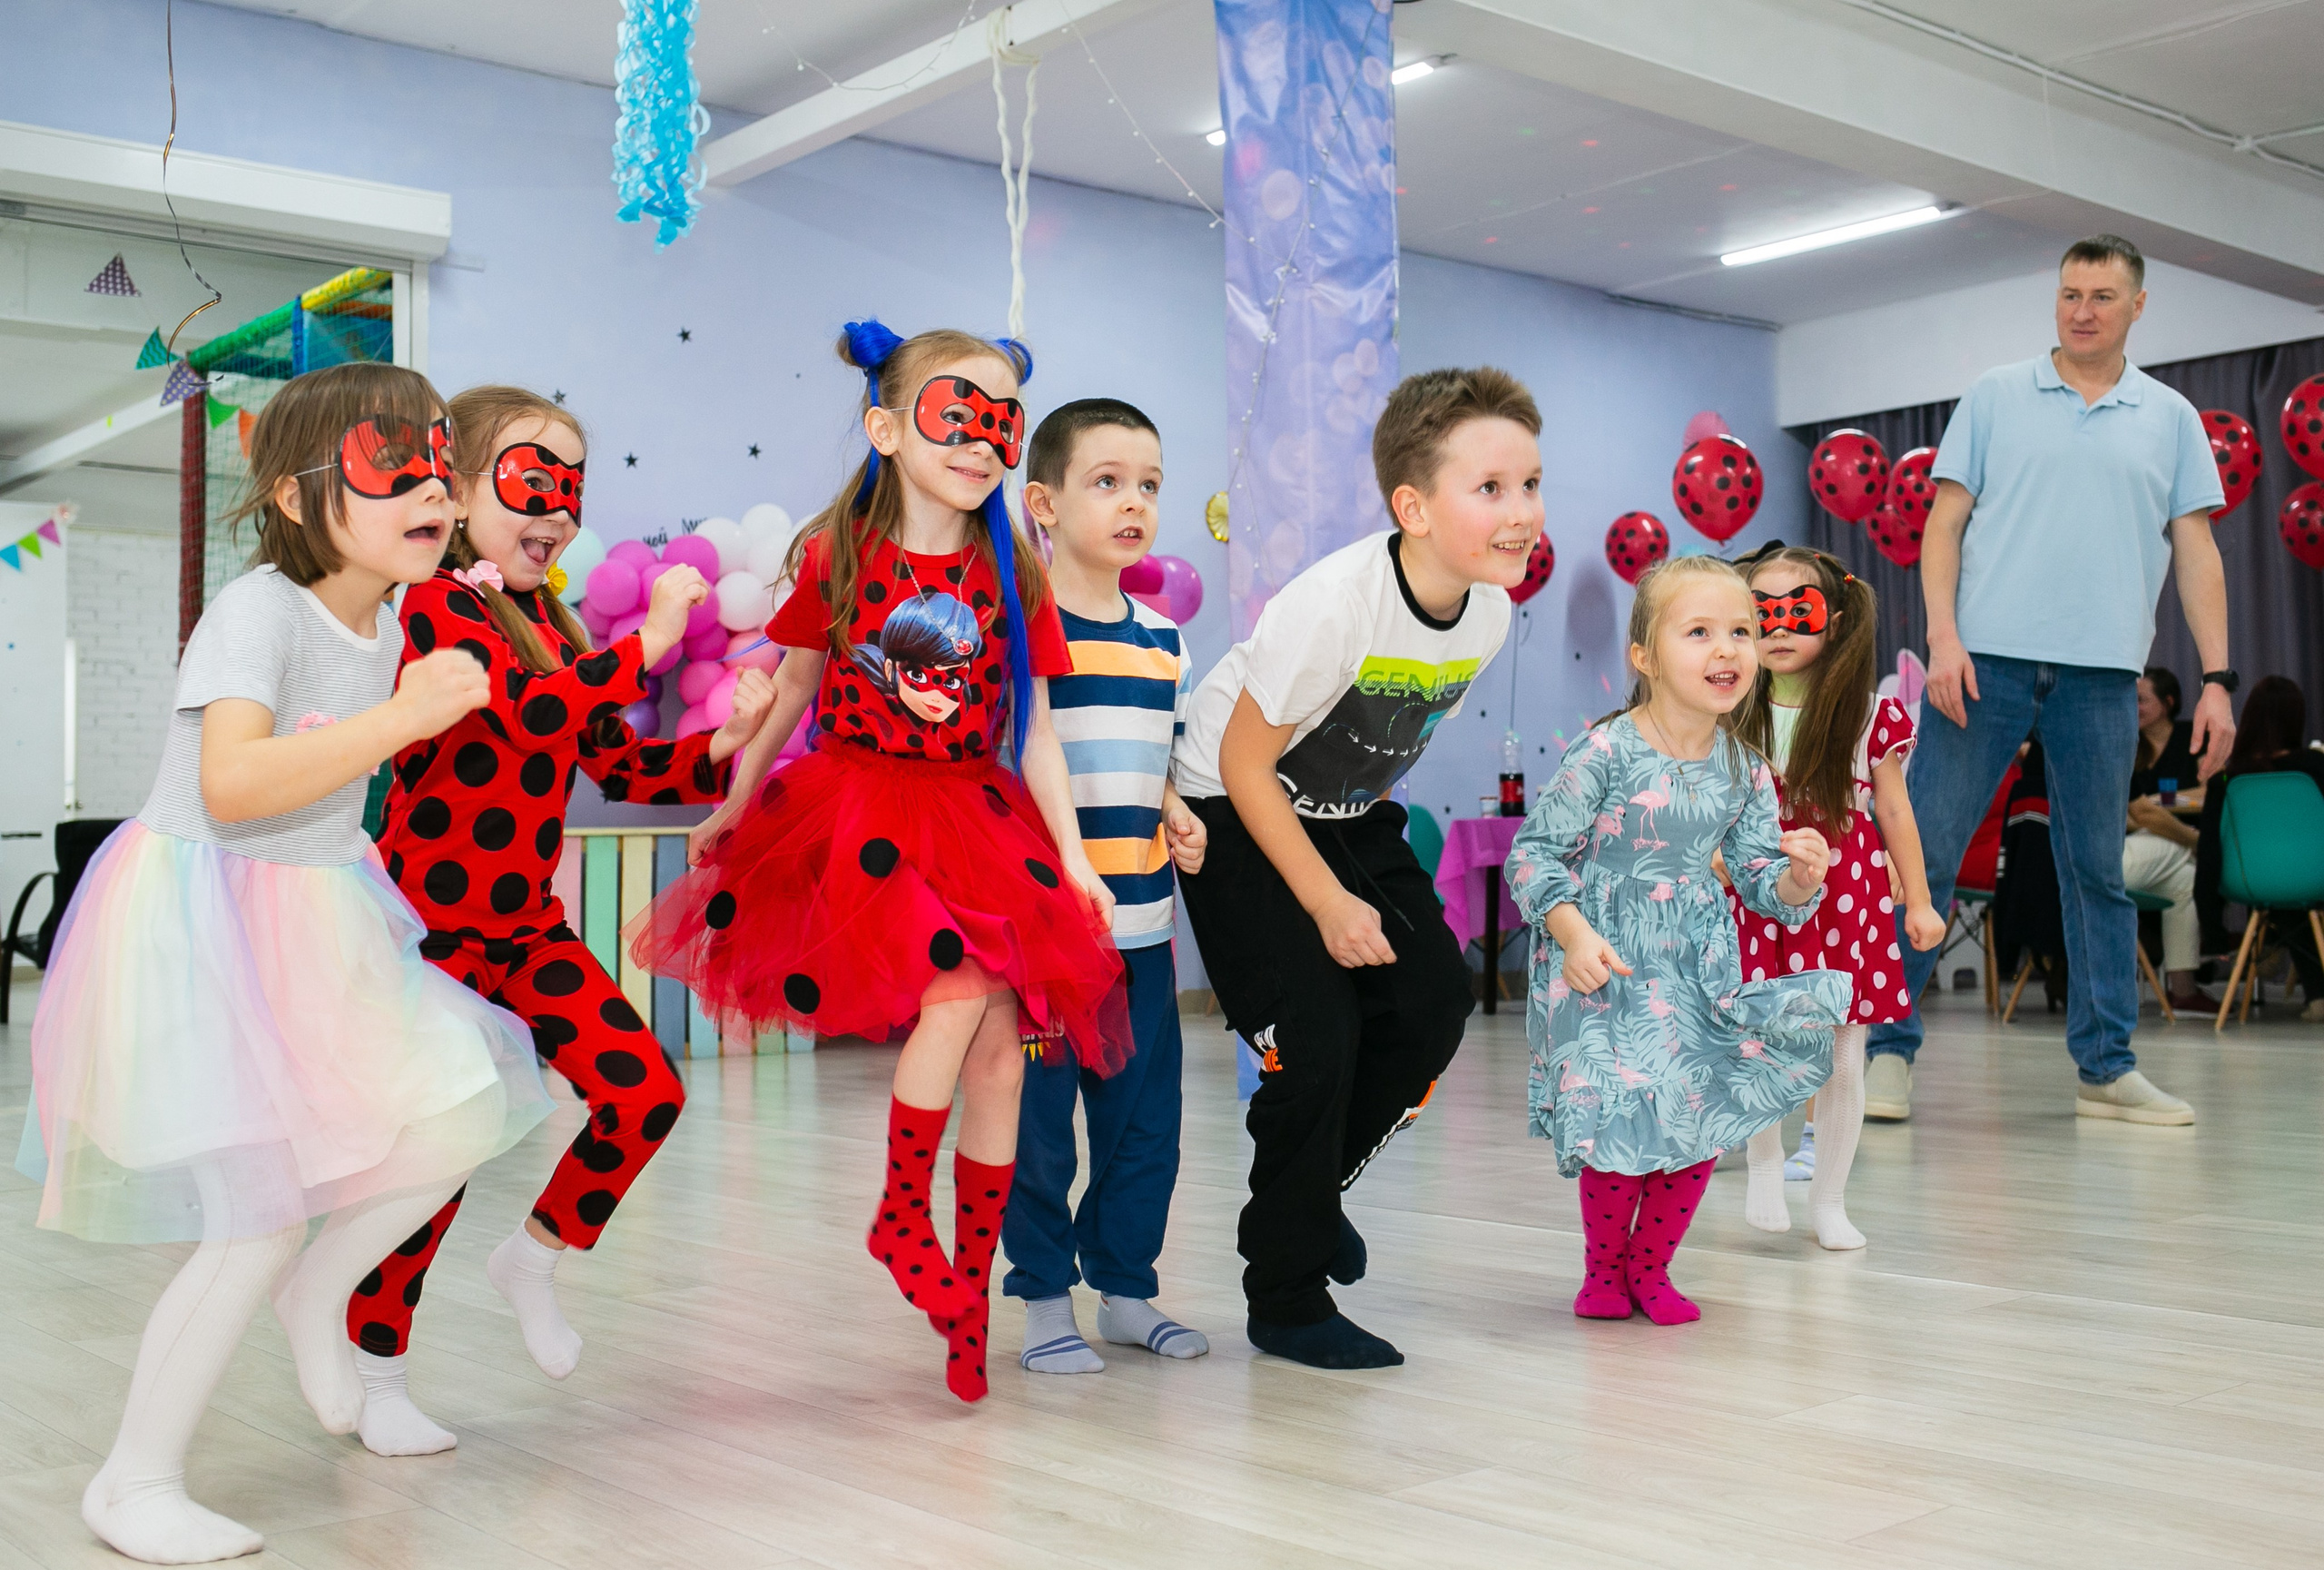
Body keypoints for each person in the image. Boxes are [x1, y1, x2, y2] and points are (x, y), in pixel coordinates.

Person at [19, 363, 551, 1563]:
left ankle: (321, 1296)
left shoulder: (395, 614)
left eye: (439, 468)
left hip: (316, 911)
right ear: (298, 494)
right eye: (392, 466)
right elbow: (233, 783)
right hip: (199, 927)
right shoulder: (260, 609)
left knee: (457, 1115)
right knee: (253, 1220)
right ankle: (133, 1477)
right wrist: (403, 721)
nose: (431, 489)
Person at [629, 321, 1127, 1404]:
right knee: (957, 987)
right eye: (960, 413)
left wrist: (1077, 858)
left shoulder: (1016, 573)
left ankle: (963, 1276)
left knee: (1002, 1054)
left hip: (975, 814)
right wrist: (733, 799)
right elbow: (797, 690)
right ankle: (902, 1214)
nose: (983, 438)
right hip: (860, 808)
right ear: (889, 426)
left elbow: (1035, 728)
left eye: (1003, 420)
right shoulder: (840, 556)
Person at [343, 386, 777, 1456]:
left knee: (645, 1091)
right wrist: (658, 643)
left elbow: (612, 759)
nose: (557, 511)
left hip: (525, 931)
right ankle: (374, 1368)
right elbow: (527, 709)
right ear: (456, 489)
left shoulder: (552, 622)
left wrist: (722, 745)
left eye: (570, 489)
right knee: (431, 1166)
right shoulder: (436, 606)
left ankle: (533, 1257)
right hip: (427, 936)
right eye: (532, 480)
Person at [1173, 365, 1533, 1369]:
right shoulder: (1332, 603)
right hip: (1233, 804)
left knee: (1428, 1005)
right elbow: (1246, 766)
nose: (1520, 513)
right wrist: (1327, 900)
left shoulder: (1489, 613)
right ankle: (1284, 1297)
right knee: (1318, 1042)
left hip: (1344, 811)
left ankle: (1305, 1197)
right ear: (1411, 507)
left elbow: (1381, 748)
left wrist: (1355, 871)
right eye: (1491, 488)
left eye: (1530, 485)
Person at [1866, 234, 2232, 1127]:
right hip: (1980, 666)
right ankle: (1882, 1050)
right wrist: (1942, 637)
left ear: (2135, 306)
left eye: (2102, 295)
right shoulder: (1994, 395)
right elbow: (1942, 525)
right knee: (1927, 854)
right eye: (2069, 292)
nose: (2081, 308)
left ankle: (2105, 1068)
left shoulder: (2170, 417)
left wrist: (2217, 677)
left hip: (2103, 675)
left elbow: (2196, 552)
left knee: (2094, 872)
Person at [1509, 556, 1845, 1326]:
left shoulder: (1746, 768)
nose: (1727, 650)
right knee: (1618, 1118)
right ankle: (1603, 1270)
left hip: (1696, 964)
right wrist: (1572, 932)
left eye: (1741, 632)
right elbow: (1533, 854)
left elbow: (1762, 882)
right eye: (1700, 632)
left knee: (1696, 1116)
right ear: (1645, 657)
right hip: (1603, 960)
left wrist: (1797, 876)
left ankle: (1651, 1268)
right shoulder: (1605, 753)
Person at [1004, 398, 1209, 1374]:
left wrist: (1176, 805)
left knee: (1144, 1126)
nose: (1135, 502)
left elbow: (1156, 754)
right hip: (1042, 937)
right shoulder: (1015, 631)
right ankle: (1044, 1298)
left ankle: (1126, 1290)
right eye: (1108, 481)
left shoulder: (1164, 640)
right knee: (1040, 1129)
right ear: (1042, 502)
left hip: (1141, 930)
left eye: (1150, 485)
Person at [1728, 545, 1945, 1250]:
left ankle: (1830, 1197)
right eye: (1762, 613)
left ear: (1837, 619)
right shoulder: (1728, 704)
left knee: (1844, 1054)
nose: (1780, 628)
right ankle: (1764, 1163)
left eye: (1799, 611)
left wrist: (1918, 899)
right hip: (1757, 887)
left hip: (1848, 893)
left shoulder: (1868, 712)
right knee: (1758, 1039)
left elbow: (1897, 809)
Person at [2194, 676, 2324, 1020]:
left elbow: (2209, 851)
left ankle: (2283, 955)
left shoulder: (2228, 776)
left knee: (2283, 889)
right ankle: (2299, 973)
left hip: (2252, 881)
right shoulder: (2317, 766)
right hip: (2316, 877)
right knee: (2301, 888)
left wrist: (2214, 932)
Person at [2122, 667, 2209, 1011]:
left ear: (2168, 702)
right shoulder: (2129, 745)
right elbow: (2129, 815)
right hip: (2154, 842)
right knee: (2187, 857)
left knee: (2186, 881)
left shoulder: (2194, 737)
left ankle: (2183, 992)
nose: (2134, 707)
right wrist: (2185, 832)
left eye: (2141, 699)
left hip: (2148, 843)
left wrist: (2159, 803)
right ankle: (2186, 992)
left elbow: (2211, 794)